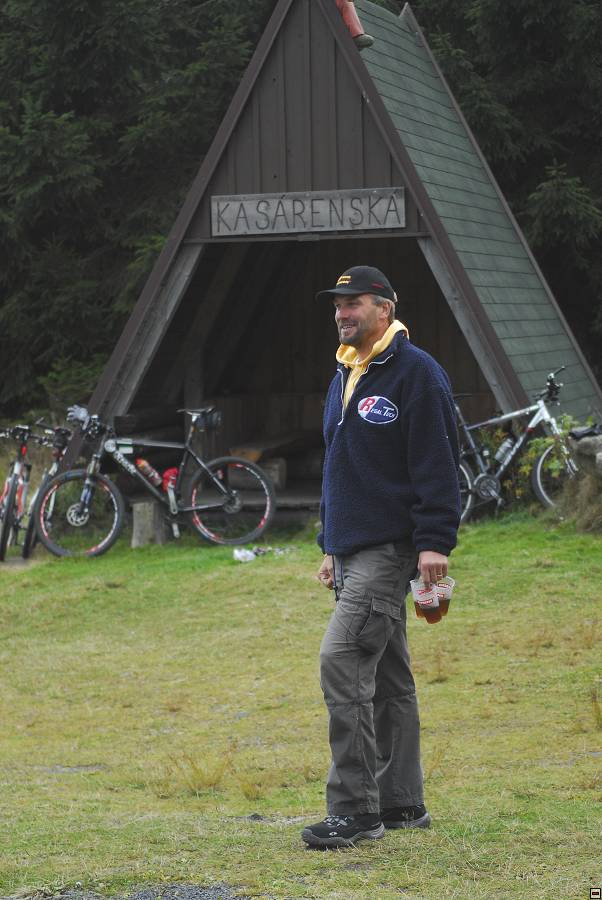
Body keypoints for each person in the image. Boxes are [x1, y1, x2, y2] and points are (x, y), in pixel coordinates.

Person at [301, 266, 461, 849]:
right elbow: (339, 466)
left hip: (389, 550)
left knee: (341, 660)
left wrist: (435, 541)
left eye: (354, 303)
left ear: (385, 310)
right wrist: (330, 545)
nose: (342, 313)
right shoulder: (345, 370)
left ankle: (355, 810)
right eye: (337, 304)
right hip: (352, 550)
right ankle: (401, 803)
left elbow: (439, 463)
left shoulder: (417, 374)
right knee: (390, 678)